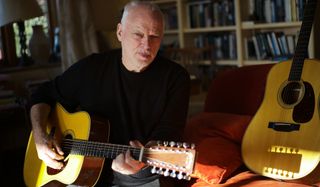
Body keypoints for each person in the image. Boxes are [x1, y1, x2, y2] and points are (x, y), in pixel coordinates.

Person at [29, 1, 190, 186]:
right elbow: (43, 95)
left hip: (139, 173)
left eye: (155, 36)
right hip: (84, 172)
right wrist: (40, 138)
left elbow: (169, 133)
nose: (147, 44)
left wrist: (142, 163)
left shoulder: (176, 78)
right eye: (138, 34)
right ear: (120, 32)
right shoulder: (92, 68)